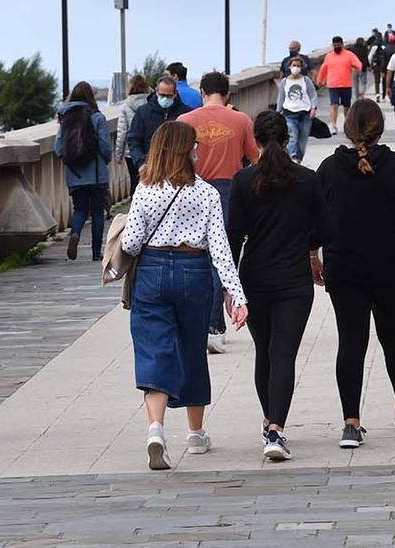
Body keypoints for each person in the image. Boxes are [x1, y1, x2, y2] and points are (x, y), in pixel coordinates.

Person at [121, 121, 248, 470]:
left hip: (153, 270)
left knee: (155, 349)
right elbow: (220, 249)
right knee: (192, 349)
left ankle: (156, 429)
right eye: (194, 145)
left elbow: (131, 242)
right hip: (194, 272)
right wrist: (236, 296)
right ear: (184, 150)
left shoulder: (145, 190)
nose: (198, 150)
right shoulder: (206, 193)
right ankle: (195, 433)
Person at [314, 99, 395, 449]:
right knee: (394, 336)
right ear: (380, 129)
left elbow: (315, 222)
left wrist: (313, 259)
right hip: (391, 266)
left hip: (343, 266)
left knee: (351, 341)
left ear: (348, 130)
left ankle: (351, 423)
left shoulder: (328, 169)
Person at [227, 111, 330, 461]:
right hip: (294, 280)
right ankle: (276, 430)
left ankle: (269, 420)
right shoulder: (307, 179)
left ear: (254, 142)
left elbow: (232, 237)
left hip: (254, 277)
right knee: (283, 354)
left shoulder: (243, 181)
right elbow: (325, 229)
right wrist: (309, 248)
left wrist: (230, 287)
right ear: (287, 139)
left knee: (264, 351)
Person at [177, 71, 259, 354]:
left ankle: (194, 324)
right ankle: (215, 327)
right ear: (228, 95)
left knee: (192, 257)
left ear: (202, 92)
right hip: (229, 191)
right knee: (220, 259)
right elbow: (254, 159)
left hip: (191, 190)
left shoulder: (185, 122)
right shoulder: (241, 120)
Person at [54, 81, 112, 262]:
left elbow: (58, 147)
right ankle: (96, 252)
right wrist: (105, 161)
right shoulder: (97, 117)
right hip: (96, 174)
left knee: (79, 209)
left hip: (75, 174)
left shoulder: (65, 117)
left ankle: (75, 233)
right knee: (97, 212)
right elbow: (104, 146)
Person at [128, 76, 193, 170]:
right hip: (150, 166)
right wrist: (140, 163)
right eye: (162, 95)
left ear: (175, 94)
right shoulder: (143, 112)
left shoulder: (186, 113)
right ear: (156, 92)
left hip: (178, 167)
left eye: (168, 96)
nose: (165, 99)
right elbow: (134, 139)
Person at [316, 36, 364, 136]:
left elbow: (358, 64)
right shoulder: (329, 56)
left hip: (346, 84)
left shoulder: (349, 55)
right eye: (335, 45)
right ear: (332, 45)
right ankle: (333, 125)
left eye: (338, 45)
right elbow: (324, 68)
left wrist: (357, 67)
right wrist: (320, 80)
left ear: (342, 44)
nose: (337, 47)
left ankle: (347, 125)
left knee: (347, 106)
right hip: (333, 84)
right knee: (334, 105)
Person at [276, 56, 319, 162]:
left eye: (298, 66)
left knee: (302, 141)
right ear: (289, 67)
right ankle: (292, 157)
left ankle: (299, 159)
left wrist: (313, 108)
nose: (296, 68)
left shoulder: (306, 80)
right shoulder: (285, 82)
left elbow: (313, 95)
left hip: (305, 114)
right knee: (292, 136)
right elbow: (281, 98)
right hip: (289, 113)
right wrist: (277, 112)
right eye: (294, 65)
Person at [117, 75, 151, 192]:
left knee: (134, 181)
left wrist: (118, 155)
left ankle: (135, 206)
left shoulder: (125, 106)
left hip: (130, 152)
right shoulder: (151, 104)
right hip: (149, 150)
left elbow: (122, 132)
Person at [374, 35, 395, 102]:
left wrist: (382, 70)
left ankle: (384, 95)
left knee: (385, 82)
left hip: (387, 68)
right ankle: (394, 95)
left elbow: (383, 61)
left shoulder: (386, 48)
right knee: (394, 82)